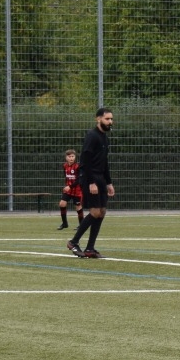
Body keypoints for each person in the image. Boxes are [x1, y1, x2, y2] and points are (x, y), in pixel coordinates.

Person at [68, 108, 114, 259]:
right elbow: (85, 161)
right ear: (98, 119)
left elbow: (104, 162)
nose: (110, 122)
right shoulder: (92, 136)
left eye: (111, 119)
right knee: (94, 212)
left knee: (101, 212)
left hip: (100, 178)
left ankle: (90, 248)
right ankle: (73, 242)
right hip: (90, 178)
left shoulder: (104, 138)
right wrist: (91, 182)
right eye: (107, 119)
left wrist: (109, 182)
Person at [58, 149, 82, 230]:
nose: (71, 158)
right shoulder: (64, 166)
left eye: (73, 156)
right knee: (62, 204)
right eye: (69, 156)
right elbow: (66, 177)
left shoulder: (78, 166)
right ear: (66, 157)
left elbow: (79, 179)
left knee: (78, 207)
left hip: (77, 190)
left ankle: (81, 225)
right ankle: (65, 224)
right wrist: (67, 186)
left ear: (75, 157)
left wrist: (70, 186)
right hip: (68, 190)